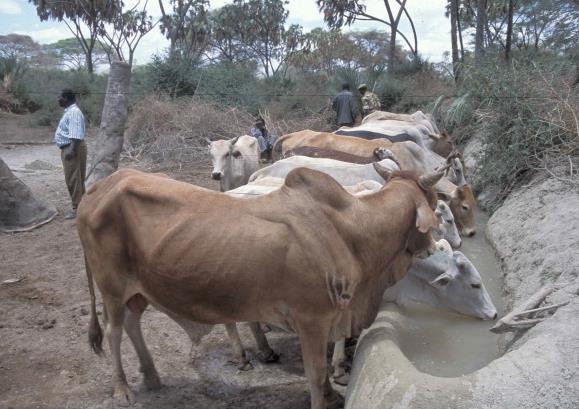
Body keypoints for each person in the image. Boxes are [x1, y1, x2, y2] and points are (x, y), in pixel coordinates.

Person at [54, 89, 87, 220]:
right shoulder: (70, 112)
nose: (58, 99)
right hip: (71, 147)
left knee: (73, 179)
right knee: (75, 178)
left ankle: (78, 209)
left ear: (67, 98)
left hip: (73, 147)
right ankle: (82, 206)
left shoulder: (73, 112)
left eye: (60, 97)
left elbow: (75, 134)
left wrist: (72, 151)